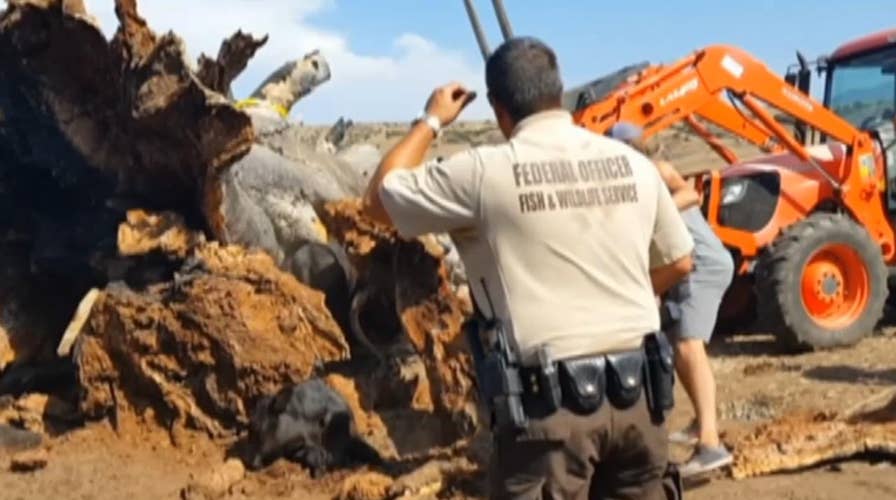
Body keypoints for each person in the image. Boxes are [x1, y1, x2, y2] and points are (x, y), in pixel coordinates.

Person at [362, 36, 694, 499]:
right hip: (643, 401)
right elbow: (680, 260)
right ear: (558, 92)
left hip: (552, 414)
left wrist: (432, 118)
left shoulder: (484, 173)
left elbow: (379, 198)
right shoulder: (631, 164)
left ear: (498, 108)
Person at [607, 122, 736, 477]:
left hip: (702, 266)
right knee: (679, 345)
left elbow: (690, 195)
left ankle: (710, 445)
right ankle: (700, 423)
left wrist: (649, 210)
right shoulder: (632, 178)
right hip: (687, 266)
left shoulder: (655, 169)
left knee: (687, 348)